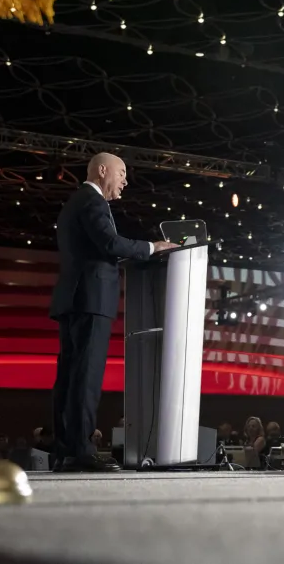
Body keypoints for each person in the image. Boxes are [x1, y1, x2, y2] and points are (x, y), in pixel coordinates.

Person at [50, 153, 175, 472]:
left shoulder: (77, 202)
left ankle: (66, 449)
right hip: (90, 299)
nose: (125, 180)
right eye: (121, 172)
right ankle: (81, 451)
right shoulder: (91, 201)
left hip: (75, 298)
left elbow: (98, 248)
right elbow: (109, 243)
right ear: (102, 170)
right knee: (85, 376)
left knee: (70, 376)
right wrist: (152, 248)